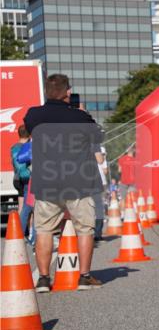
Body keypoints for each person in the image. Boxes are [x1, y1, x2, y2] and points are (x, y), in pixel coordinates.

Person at [22, 74, 104, 291]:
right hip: (78, 181)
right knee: (85, 228)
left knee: (44, 230)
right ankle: (84, 276)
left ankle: (43, 279)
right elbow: (98, 138)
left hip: (46, 181)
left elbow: (29, 130)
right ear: (67, 92)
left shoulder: (33, 115)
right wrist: (83, 114)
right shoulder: (79, 117)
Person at [11, 125, 32, 234]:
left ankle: (22, 231)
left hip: (18, 179)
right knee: (27, 208)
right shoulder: (24, 147)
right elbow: (20, 167)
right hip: (24, 179)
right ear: (29, 134)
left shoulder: (14, 146)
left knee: (23, 206)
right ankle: (23, 231)